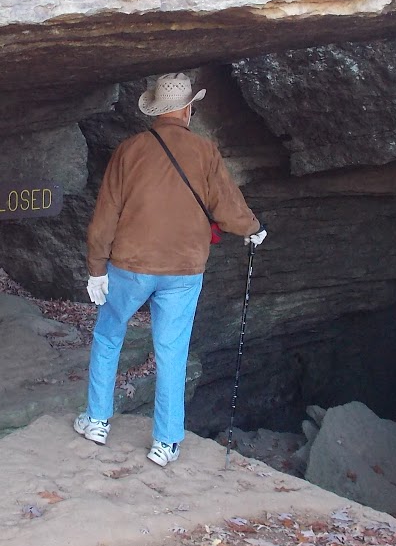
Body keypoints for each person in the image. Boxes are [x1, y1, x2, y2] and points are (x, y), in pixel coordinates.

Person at [75, 72, 267, 466]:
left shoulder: (129, 151)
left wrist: (96, 268)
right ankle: (165, 443)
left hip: (130, 266)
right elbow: (228, 207)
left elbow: (104, 217)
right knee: (172, 351)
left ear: (158, 109)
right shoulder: (205, 152)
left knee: (110, 335)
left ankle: (96, 420)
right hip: (183, 270)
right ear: (187, 109)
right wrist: (253, 230)